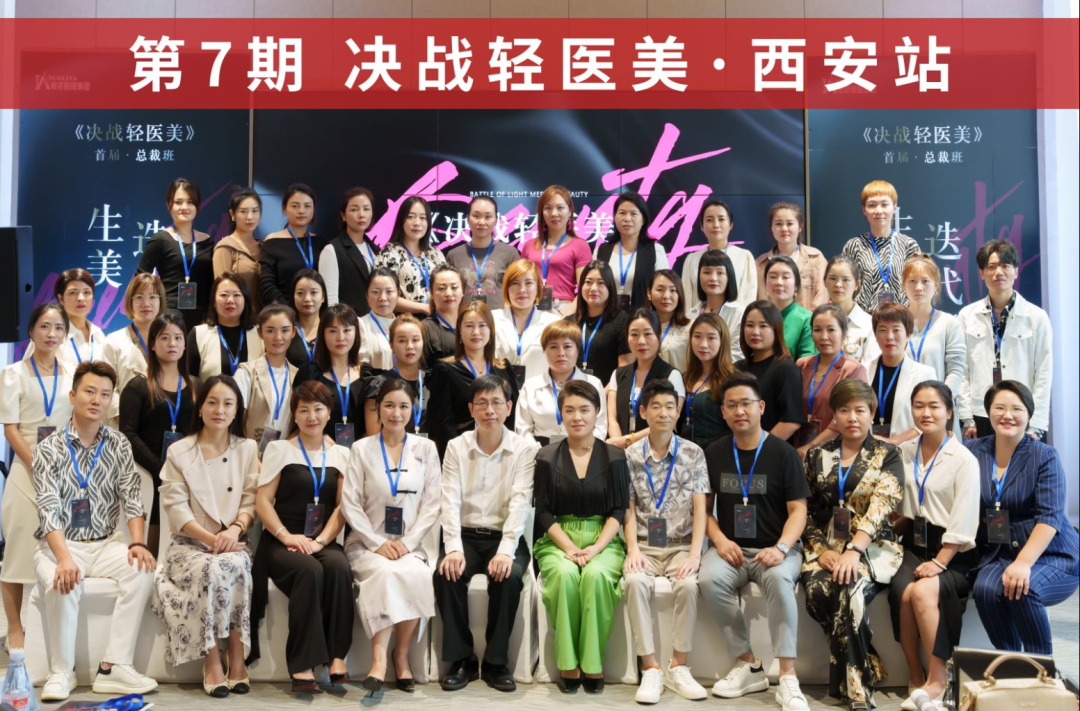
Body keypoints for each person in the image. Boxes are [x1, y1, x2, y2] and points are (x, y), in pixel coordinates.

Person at [32, 361, 158, 701]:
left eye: (104, 394)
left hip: (104, 544)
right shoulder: (48, 448)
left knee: (143, 568)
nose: (96, 400)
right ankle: (62, 671)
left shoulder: (118, 444)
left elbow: (132, 497)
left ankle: (114, 665)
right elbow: (48, 508)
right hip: (58, 545)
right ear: (73, 395)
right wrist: (63, 558)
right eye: (89, 391)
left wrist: (137, 543)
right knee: (64, 578)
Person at [701, 371, 810, 711]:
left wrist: (781, 548)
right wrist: (719, 540)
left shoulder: (784, 453)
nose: (739, 411)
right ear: (723, 412)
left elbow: (798, 511)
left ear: (761, 407)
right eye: (731, 405)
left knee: (778, 581)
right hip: (730, 548)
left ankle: (788, 676)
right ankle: (749, 663)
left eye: (746, 403)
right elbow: (703, 511)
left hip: (776, 548)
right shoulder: (714, 453)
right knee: (709, 579)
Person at [801, 379, 904, 710]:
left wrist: (853, 551)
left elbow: (881, 507)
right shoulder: (817, 454)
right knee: (817, 593)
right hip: (827, 548)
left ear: (872, 413)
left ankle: (858, 688)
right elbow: (805, 510)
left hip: (872, 548)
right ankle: (866, 659)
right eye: (844, 410)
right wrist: (822, 551)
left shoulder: (888, 454)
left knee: (849, 587)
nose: (852, 417)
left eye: (860, 410)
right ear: (834, 415)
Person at [153, 375, 258, 697]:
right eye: (212, 402)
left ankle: (237, 656)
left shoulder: (248, 448)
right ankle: (211, 659)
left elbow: (250, 501)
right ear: (200, 407)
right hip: (188, 545)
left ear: (237, 410)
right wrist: (212, 540)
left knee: (238, 564)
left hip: (232, 541)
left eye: (228, 403)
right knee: (209, 568)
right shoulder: (179, 451)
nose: (219, 410)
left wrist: (234, 529)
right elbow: (176, 510)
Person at [436, 375, 539, 693]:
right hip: (465, 536)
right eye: (481, 403)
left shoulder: (524, 449)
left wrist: (506, 550)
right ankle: (462, 660)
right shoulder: (456, 446)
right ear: (471, 409)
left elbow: (521, 502)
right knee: (446, 574)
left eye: (496, 402)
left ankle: (496, 663)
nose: (489, 410)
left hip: (503, 536)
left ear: (509, 407)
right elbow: (449, 499)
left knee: (509, 577)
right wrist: (453, 547)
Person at [251, 381, 353, 691]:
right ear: (294, 415)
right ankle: (302, 663)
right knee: (309, 570)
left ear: (329, 412)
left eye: (318, 409)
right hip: (282, 539)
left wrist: (321, 541)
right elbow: (262, 502)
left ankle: (337, 656)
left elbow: (342, 507)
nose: (312, 416)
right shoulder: (279, 449)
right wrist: (286, 536)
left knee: (338, 567)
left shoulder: (342, 454)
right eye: (304, 410)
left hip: (323, 538)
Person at [342, 379, 442, 693]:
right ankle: (378, 661)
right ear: (377, 409)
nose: (396, 413)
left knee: (416, 573)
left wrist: (407, 543)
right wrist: (378, 543)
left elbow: (433, 503)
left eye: (403, 406)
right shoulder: (361, 449)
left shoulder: (426, 449)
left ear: (413, 409)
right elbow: (349, 503)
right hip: (366, 543)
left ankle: (401, 654)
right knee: (385, 573)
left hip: (409, 545)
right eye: (389, 405)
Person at [967, 381, 1079, 655]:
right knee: (985, 590)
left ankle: (1040, 667)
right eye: (1000, 408)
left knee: (1023, 589)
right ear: (988, 412)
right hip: (1000, 553)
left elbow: (1049, 517)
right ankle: (1010, 663)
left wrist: (1024, 563)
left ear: (1029, 414)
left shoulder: (1044, 455)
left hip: (1051, 554)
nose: (1008, 415)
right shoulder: (972, 451)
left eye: (1017, 409)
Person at [533, 380, 629, 694]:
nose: (577, 417)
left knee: (596, 577)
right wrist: (571, 547)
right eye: (569, 410)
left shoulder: (615, 456)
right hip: (559, 538)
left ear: (597, 412)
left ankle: (593, 663)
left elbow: (619, 510)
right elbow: (543, 511)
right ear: (560, 414)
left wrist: (596, 548)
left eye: (584, 410)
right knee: (563, 576)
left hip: (604, 538)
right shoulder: (546, 456)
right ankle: (568, 664)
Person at [888, 382, 979, 711]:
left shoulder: (963, 459)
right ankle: (916, 676)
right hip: (915, 543)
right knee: (902, 592)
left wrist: (940, 562)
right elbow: (905, 508)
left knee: (922, 591)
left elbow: (964, 519)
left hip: (954, 552)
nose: (926, 413)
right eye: (919, 405)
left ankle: (939, 680)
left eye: (934, 406)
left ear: (949, 412)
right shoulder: (905, 451)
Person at [623, 380, 709, 704]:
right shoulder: (630, 455)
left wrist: (695, 555)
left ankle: (678, 666)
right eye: (656, 406)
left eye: (670, 406)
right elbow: (628, 509)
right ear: (643, 412)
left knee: (688, 585)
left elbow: (700, 510)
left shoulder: (693, 453)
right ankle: (651, 668)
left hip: (680, 545)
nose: (663, 413)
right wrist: (632, 549)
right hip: (644, 543)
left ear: (678, 411)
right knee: (633, 582)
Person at [0, 304, 73, 654]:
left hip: (63, 476)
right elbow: (10, 429)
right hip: (24, 473)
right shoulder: (13, 373)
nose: (51, 334)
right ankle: (15, 630)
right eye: (44, 326)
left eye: (58, 327)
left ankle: (52, 633)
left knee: (61, 555)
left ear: (65, 334)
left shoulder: (73, 374)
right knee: (16, 556)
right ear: (31, 331)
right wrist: (36, 464)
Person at [119, 310, 199, 555]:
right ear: (152, 344)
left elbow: (201, 431)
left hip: (187, 476)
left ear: (185, 344)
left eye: (178, 338)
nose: (172, 343)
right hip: (148, 474)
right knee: (152, 547)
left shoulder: (196, 386)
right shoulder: (137, 386)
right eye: (164, 338)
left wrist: (184, 468)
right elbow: (127, 433)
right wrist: (159, 468)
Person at [958, 239, 1052, 440]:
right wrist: (966, 418)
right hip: (981, 413)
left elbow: (1044, 372)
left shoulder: (1036, 317)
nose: (998, 272)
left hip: (1021, 411)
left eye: (1005, 266)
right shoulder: (967, 316)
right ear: (981, 273)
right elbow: (962, 370)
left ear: (1016, 271)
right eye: (991, 266)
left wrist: (1036, 425)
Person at [428, 301, 520, 459]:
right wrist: (456, 457)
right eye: (469, 326)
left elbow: (512, 416)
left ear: (491, 330)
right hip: (463, 453)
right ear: (459, 331)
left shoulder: (503, 367)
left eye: (482, 325)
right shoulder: (445, 370)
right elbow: (442, 424)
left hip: (501, 452)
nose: (476, 332)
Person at [900, 254, 967, 436]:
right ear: (903, 285)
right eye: (912, 281)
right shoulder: (896, 323)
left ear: (936, 286)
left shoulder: (949, 323)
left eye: (925, 281)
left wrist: (938, 403)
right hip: (902, 412)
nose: (918, 287)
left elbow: (955, 371)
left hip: (938, 414)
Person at [136, 178, 215, 327]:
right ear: (169, 205)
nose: (184, 207)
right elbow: (139, 279)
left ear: (197, 206)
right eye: (178, 202)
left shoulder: (207, 241)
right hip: (169, 316)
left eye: (190, 202)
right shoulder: (160, 240)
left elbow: (212, 282)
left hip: (203, 317)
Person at [515, 321, 607, 446]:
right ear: (544, 351)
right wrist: (540, 454)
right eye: (553, 347)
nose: (561, 353)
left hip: (584, 450)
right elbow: (523, 430)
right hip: (539, 451)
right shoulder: (531, 386)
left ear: (577, 350)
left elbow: (600, 427)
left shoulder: (593, 383)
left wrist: (584, 451)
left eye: (567, 346)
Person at [606, 309, 686, 449]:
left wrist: (627, 441)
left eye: (648, 334)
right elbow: (612, 419)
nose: (641, 341)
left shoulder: (672, 375)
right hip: (620, 451)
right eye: (634, 334)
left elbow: (670, 420)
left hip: (656, 450)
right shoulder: (618, 374)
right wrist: (618, 446)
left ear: (659, 337)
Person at [796, 304, 868, 458]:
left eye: (831, 330)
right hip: (798, 448)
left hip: (836, 452)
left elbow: (850, 416)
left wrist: (811, 447)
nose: (823, 336)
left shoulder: (853, 370)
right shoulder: (802, 365)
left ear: (843, 334)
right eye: (817, 330)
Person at [841, 180, 920, 310]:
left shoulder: (909, 245)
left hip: (901, 318)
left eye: (884, 204)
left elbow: (919, 284)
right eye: (872, 205)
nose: (878, 210)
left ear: (894, 207)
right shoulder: (854, 246)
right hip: (862, 319)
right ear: (864, 209)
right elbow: (844, 285)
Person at [294, 303, 365, 446]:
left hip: (361, 451)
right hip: (320, 449)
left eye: (347, 330)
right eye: (332, 331)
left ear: (356, 333)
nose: (340, 338)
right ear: (323, 334)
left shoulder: (367, 375)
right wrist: (324, 438)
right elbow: (299, 415)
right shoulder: (310, 373)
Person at [865, 303, 936, 445]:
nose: (889, 337)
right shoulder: (862, 370)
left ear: (908, 334)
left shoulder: (924, 374)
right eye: (882, 330)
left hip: (908, 450)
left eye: (896, 330)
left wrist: (892, 441)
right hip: (867, 449)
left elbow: (930, 419)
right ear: (875, 335)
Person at [735, 301, 803, 443]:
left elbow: (791, 422)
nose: (755, 332)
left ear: (776, 329)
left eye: (763, 326)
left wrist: (758, 447)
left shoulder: (786, 369)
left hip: (771, 450)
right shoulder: (737, 368)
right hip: (738, 446)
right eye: (750, 325)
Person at [519, 186, 593, 316]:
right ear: (542, 212)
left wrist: (567, 318)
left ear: (569, 211)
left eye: (560, 207)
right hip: (530, 307)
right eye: (548, 208)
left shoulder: (580, 245)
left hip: (563, 309)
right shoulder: (529, 246)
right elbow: (521, 282)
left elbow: (585, 289)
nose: (554, 213)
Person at [103, 273, 166, 420]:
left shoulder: (170, 339)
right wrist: (122, 416)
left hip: (163, 418)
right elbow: (106, 385)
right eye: (139, 297)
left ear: (160, 301)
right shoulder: (114, 340)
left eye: (152, 297)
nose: (146, 303)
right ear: (130, 302)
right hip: (124, 420)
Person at [594, 192, 670, 313]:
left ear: (643, 219)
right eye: (622, 213)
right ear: (614, 217)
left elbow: (664, 289)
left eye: (633, 214)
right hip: (606, 318)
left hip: (643, 318)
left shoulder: (656, 251)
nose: (627, 219)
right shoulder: (601, 251)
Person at [235, 304, 297, 451]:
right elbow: (235, 421)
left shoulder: (298, 376)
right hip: (249, 453)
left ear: (293, 332)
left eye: (285, 330)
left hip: (285, 454)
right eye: (270, 330)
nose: (278, 337)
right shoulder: (246, 372)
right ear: (260, 333)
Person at [373, 195, 447, 315]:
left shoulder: (435, 254)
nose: (417, 223)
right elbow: (384, 296)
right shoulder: (388, 255)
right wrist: (423, 308)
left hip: (436, 319)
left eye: (423, 218)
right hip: (404, 321)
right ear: (401, 220)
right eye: (411, 217)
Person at [493, 259, 561, 386]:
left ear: (538, 288)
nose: (522, 290)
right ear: (506, 288)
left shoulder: (553, 323)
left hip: (539, 395)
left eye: (528, 283)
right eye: (515, 283)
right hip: (499, 394)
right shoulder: (492, 319)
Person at [259, 183, 329, 307]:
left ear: (313, 209)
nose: (301, 211)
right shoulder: (272, 242)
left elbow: (329, 283)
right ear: (284, 209)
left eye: (307, 206)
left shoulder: (323, 244)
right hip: (284, 313)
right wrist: (288, 312)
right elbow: (267, 285)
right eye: (295, 206)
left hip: (317, 311)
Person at [361, 314, 431, 437]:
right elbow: (373, 437)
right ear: (391, 344)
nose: (410, 346)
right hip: (387, 448)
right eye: (402, 341)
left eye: (415, 340)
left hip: (428, 448)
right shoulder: (379, 384)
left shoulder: (432, 381)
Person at [446, 196, 520, 309]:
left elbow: (517, 288)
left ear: (496, 220)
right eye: (476, 216)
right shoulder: (454, 255)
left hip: (499, 318)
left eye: (488, 217)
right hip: (464, 317)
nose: (481, 222)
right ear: (468, 219)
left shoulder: (510, 254)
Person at [682, 199, 757, 310]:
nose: (716, 225)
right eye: (709, 220)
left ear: (731, 224)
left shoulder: (744, 257)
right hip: (700, 319)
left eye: (721, 219)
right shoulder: (692, 259)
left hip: (735, 320)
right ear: (702, 226)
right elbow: (687, 301)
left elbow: (748, 298)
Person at [187, 273, 263, 381]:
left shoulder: (260, 333)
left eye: (236, 295)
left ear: (245, 300)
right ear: (214, 302)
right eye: (224, 295)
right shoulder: (198, 335)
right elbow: (189, 380)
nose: (230, 300)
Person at [566, 261, 631, 386]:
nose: (593, 288)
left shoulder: (623, 322)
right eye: (588, 282)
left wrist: (602, 393)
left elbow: (624, 371)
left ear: (610, 287)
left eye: (601, 283)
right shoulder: (569, 322)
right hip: (571, 392)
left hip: (607, 393)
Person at [318, 186, 382, 314]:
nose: (361, 215)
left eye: (366, 209)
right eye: (354, 209)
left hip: (377, 320)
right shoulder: (332, 250)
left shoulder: (376, 250)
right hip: (350, 321)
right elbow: (331, 301)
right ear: (343, 215)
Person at [755, 202, 827, 310]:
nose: (784, 228)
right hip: (771, 320)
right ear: (771, 227)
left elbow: (822, 295)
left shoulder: (815, 258)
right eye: (778, 224)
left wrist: (809, 319)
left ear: (800, 226)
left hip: (809, 320)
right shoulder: (760, 264)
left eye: (789, 223)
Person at [681, 312, 736, 450]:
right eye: (697, 336)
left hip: (718, 454)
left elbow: (737, 428)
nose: (703, 344)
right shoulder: (684, 378)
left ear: (722, 341)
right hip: (684, 454)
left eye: (711, 338)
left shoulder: (733, 381)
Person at [687, 249, 746, 362]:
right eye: (707, 272)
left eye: (720, 273)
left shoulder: (740, 314)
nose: (713, 278)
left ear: (729, 277)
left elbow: (737, 355)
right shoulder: (691, 315)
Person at [213, 187, 264, 314]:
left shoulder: (264, 247)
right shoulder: (225, 248)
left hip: (264, 318)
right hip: (237, 317)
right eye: (243, 211)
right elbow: (222, 291)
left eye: (255, 211)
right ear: (232, 214)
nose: (250, 217)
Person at [824, 254, 879, 366]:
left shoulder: (869, 325)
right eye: (833, 278)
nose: (838, 285)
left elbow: (870, 367)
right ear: (825, 281)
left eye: (846, 279)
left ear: (857, 284)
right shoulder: (817, 320)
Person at [51, 268, 108, 370]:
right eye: (73, 293)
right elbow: (30, 370)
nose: (81, 298)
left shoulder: (98, 334)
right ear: (61, 299)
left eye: (87, 292)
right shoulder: (50, 335)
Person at [763, 255, 816, 360]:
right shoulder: (759, 316)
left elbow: (807, 363)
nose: (779, 282)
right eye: (773, 277)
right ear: (765, 284)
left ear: (796, 286)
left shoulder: (807, 319)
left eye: (786, 277)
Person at [648, 269, 692, 372]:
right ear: (649, 293)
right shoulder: (640, 327)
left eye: (672, 290)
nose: (666, 296)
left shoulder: (691, 328)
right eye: (660, 290)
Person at [356, 268, 400, 371]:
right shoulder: (360, 324)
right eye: (376, 292)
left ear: (398, 294)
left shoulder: (404, 326)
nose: (383, 298)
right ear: (367, 295)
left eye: (389, 291)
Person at [422, 264, 465, 365]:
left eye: (454, 287)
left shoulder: (472, 324)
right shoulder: (424, 329)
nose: (449, 293)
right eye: (441, 288)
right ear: (431, 292)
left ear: (463, 290)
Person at [286, 269, 326, 369]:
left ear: (323, 297)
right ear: (293, 296)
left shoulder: (331, 329)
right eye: (300, 293)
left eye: (314, 292)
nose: (307, 299)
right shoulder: (285, 330)